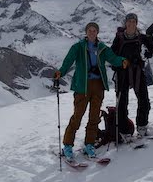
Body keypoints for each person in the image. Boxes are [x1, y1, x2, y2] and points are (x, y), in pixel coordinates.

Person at [54, 22, 128, 160]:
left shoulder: (102, 48)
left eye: (94, 30)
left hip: (98, 86)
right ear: (86, 32)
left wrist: (122, 61)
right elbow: (68, 61)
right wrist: (61, 72)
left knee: (94, 117)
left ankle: (89, 144)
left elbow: (113, 58)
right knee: (77, 117)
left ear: (97, 32)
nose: (92, 32)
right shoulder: (78, 47)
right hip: (82, 86)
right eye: (90, 30)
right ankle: (68, 145)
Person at [111, 13, 153, 139]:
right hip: (122, 72)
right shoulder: (119, 38)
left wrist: (149, 52)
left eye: (133, 21)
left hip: (137, 70)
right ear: (125, 23)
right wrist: (117, 63)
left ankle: (142, 125)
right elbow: (112, 54)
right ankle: (124, 131)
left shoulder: (140, 37)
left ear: (136, 23)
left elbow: (150, 46)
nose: (131, 24)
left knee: (144, 99)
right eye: (129, 21)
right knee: (122, 102)